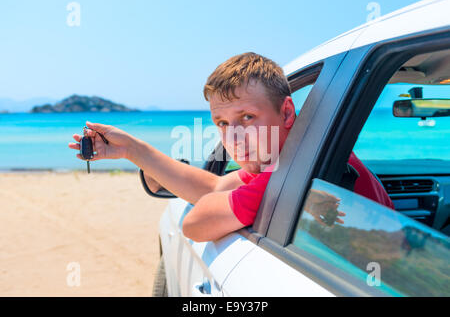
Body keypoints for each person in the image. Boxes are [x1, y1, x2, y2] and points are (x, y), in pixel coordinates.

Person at [69, 52, 393, 242]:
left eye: (248, 117)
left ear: (287, 112)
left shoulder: (288, 177)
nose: (234, 137)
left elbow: (194, 224)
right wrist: (131, 150)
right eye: (222, 123)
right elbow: (216, 185)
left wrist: (224, 203)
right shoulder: (300, 156)